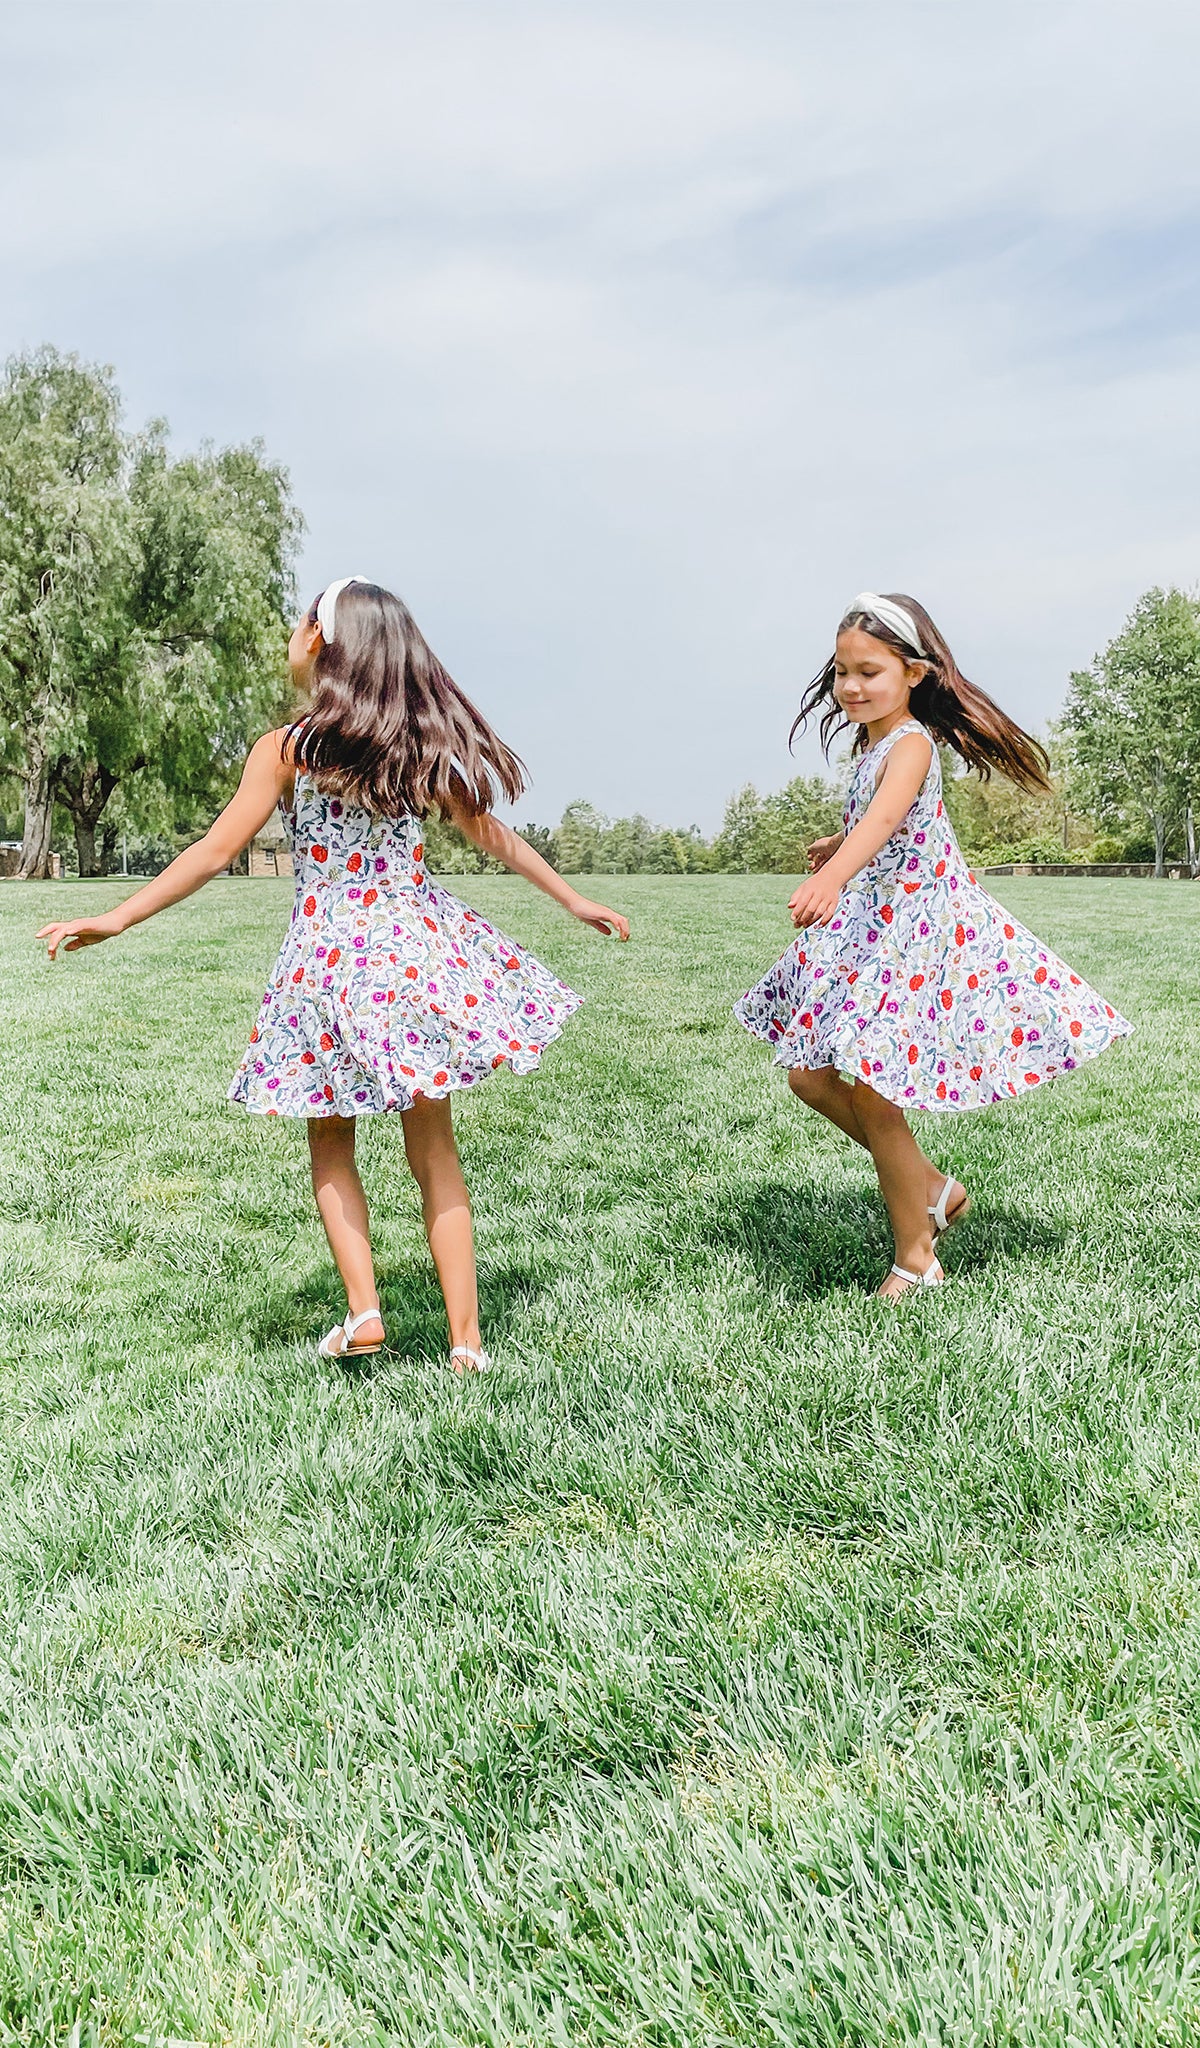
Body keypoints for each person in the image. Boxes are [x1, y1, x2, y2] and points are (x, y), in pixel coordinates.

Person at [40, 576, 629, 1368]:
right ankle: (467, 1342)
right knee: (434, 1148)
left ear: (321, 642)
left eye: (298, 623)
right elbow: (490, 833)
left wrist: (116, 916)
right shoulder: (413, 748)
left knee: (331, 1141)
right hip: (418, 953)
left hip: (327, 960)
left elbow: (216, 852)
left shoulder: (288, 750)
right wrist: (572, 898)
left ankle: (364, 1313)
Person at [734, 591, 1131, 1299]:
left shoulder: (912, 742)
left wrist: (835, 872)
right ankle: (935, 1189)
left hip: (921, 933)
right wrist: (839, 841)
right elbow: (880, 817)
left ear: (913, 673)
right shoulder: (875, 743)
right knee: (808, 1075)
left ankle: (917, 1260)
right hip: (880, 927)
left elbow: (888, 817)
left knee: (879, 1099)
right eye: (841, 672)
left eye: (868, 672)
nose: (850, 687)